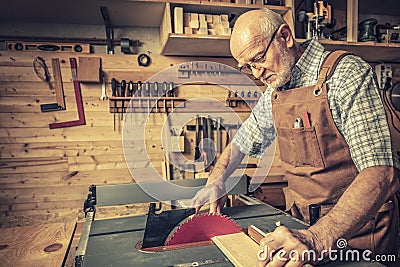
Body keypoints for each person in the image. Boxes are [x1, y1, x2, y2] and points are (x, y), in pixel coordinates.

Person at [191, 8, 400, 266]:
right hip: (303, 230)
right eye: (248, 67)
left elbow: (381, 173)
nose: (256, 73)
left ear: (285, 36)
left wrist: (316, 239)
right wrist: (217, 179)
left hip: (359, 237)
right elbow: (242, 142)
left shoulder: (346, 74)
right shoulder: (275, 91)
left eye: (258, 58)